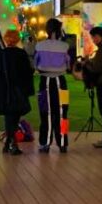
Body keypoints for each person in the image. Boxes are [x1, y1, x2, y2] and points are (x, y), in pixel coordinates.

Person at [0, 29, 34, 155]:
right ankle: (12, 143)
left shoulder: (0, 54)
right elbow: (27, 73)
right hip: (18, 90)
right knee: (15, 116)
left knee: (8, 116)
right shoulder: (21, 54)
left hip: (4, 91)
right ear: (17, 39)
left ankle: (9, 142)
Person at [34, 18, 71, 153]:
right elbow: (68, 65)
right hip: (61, 81)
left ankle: (45, 143)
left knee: (46, 113)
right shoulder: (65, 46)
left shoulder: (39, 46)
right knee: (62, 113)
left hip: (45, 81)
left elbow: (36, 65)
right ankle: (62, 142)